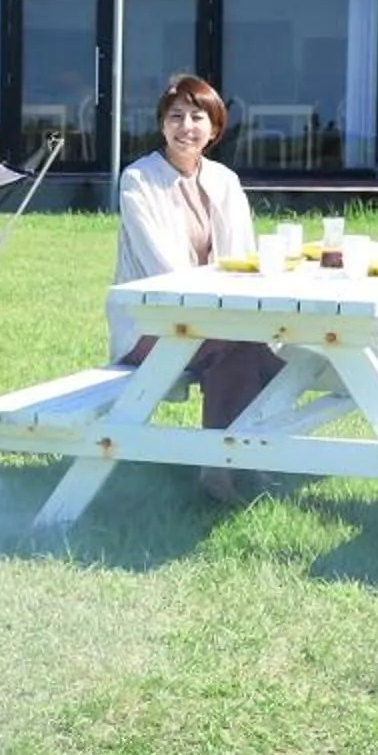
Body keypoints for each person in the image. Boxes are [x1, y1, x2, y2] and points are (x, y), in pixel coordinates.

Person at [110, 74, 281, 504]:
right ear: (162, 125)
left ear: (215, 127)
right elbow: (162, 270)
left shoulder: (224, 180)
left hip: (213, 318)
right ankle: (222, 468)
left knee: (268, 351)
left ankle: (235, 460)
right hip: (152, 324)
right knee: (242, 346)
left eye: (196, 117)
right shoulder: (138, 180)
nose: (186, 127)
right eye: (175, 117)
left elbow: (243, 258)